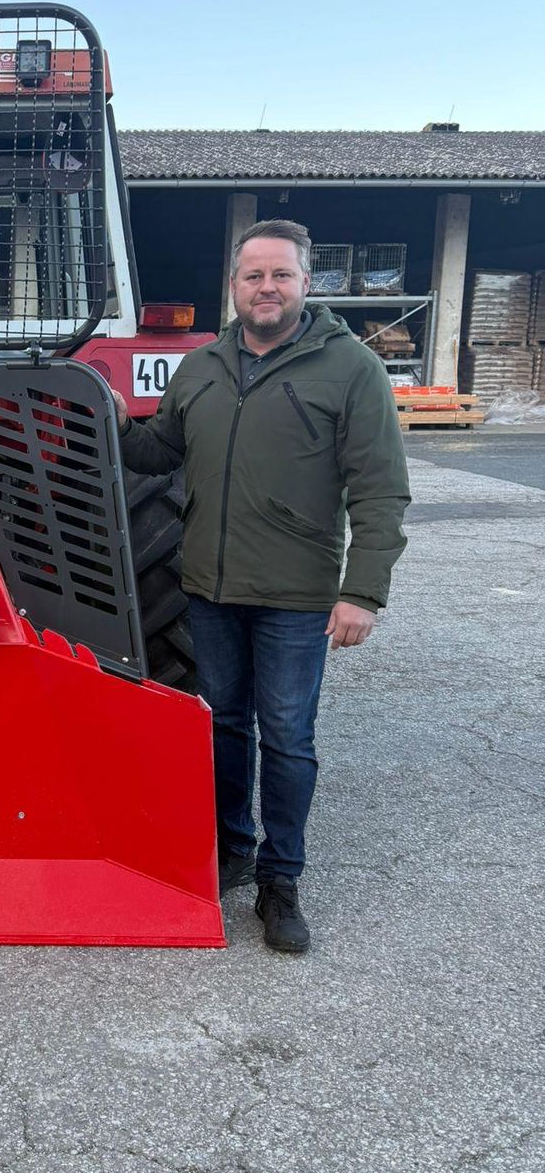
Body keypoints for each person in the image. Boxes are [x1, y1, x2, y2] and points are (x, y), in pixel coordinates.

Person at [115, 220, 410, 954]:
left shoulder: (349, 370)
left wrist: (362, 591)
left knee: (286, 738)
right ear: (235, 286)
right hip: (211, 589)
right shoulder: (205, 366)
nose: (267, 289)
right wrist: (116, 422)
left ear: (307, 284)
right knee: (222, 724)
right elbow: (161, 452)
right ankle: (233, 850)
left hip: (296, 595)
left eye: (281, 275)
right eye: (254, 277)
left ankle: (282, 881)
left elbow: (380, 491)